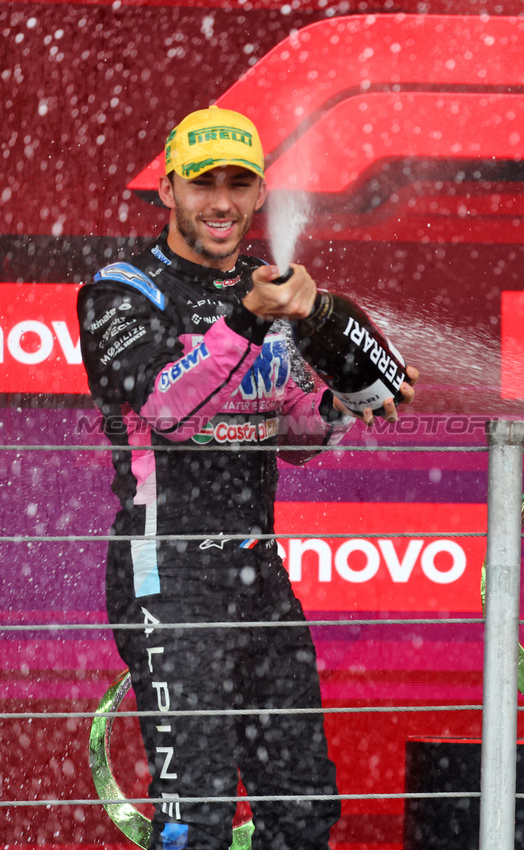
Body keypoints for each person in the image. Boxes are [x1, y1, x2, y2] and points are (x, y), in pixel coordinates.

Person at [78, 106, 418, 850]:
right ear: (168, 189)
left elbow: (295, 437)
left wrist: (349, 399)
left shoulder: (273, 291)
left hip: (258, 572)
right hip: (166, 570)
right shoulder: (122, 292)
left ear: (262, 193)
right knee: (195, 813)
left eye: (239, 183)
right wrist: (251, 318)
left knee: (302, 813)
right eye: (203, 184)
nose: (222, 202)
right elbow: (167, 409)